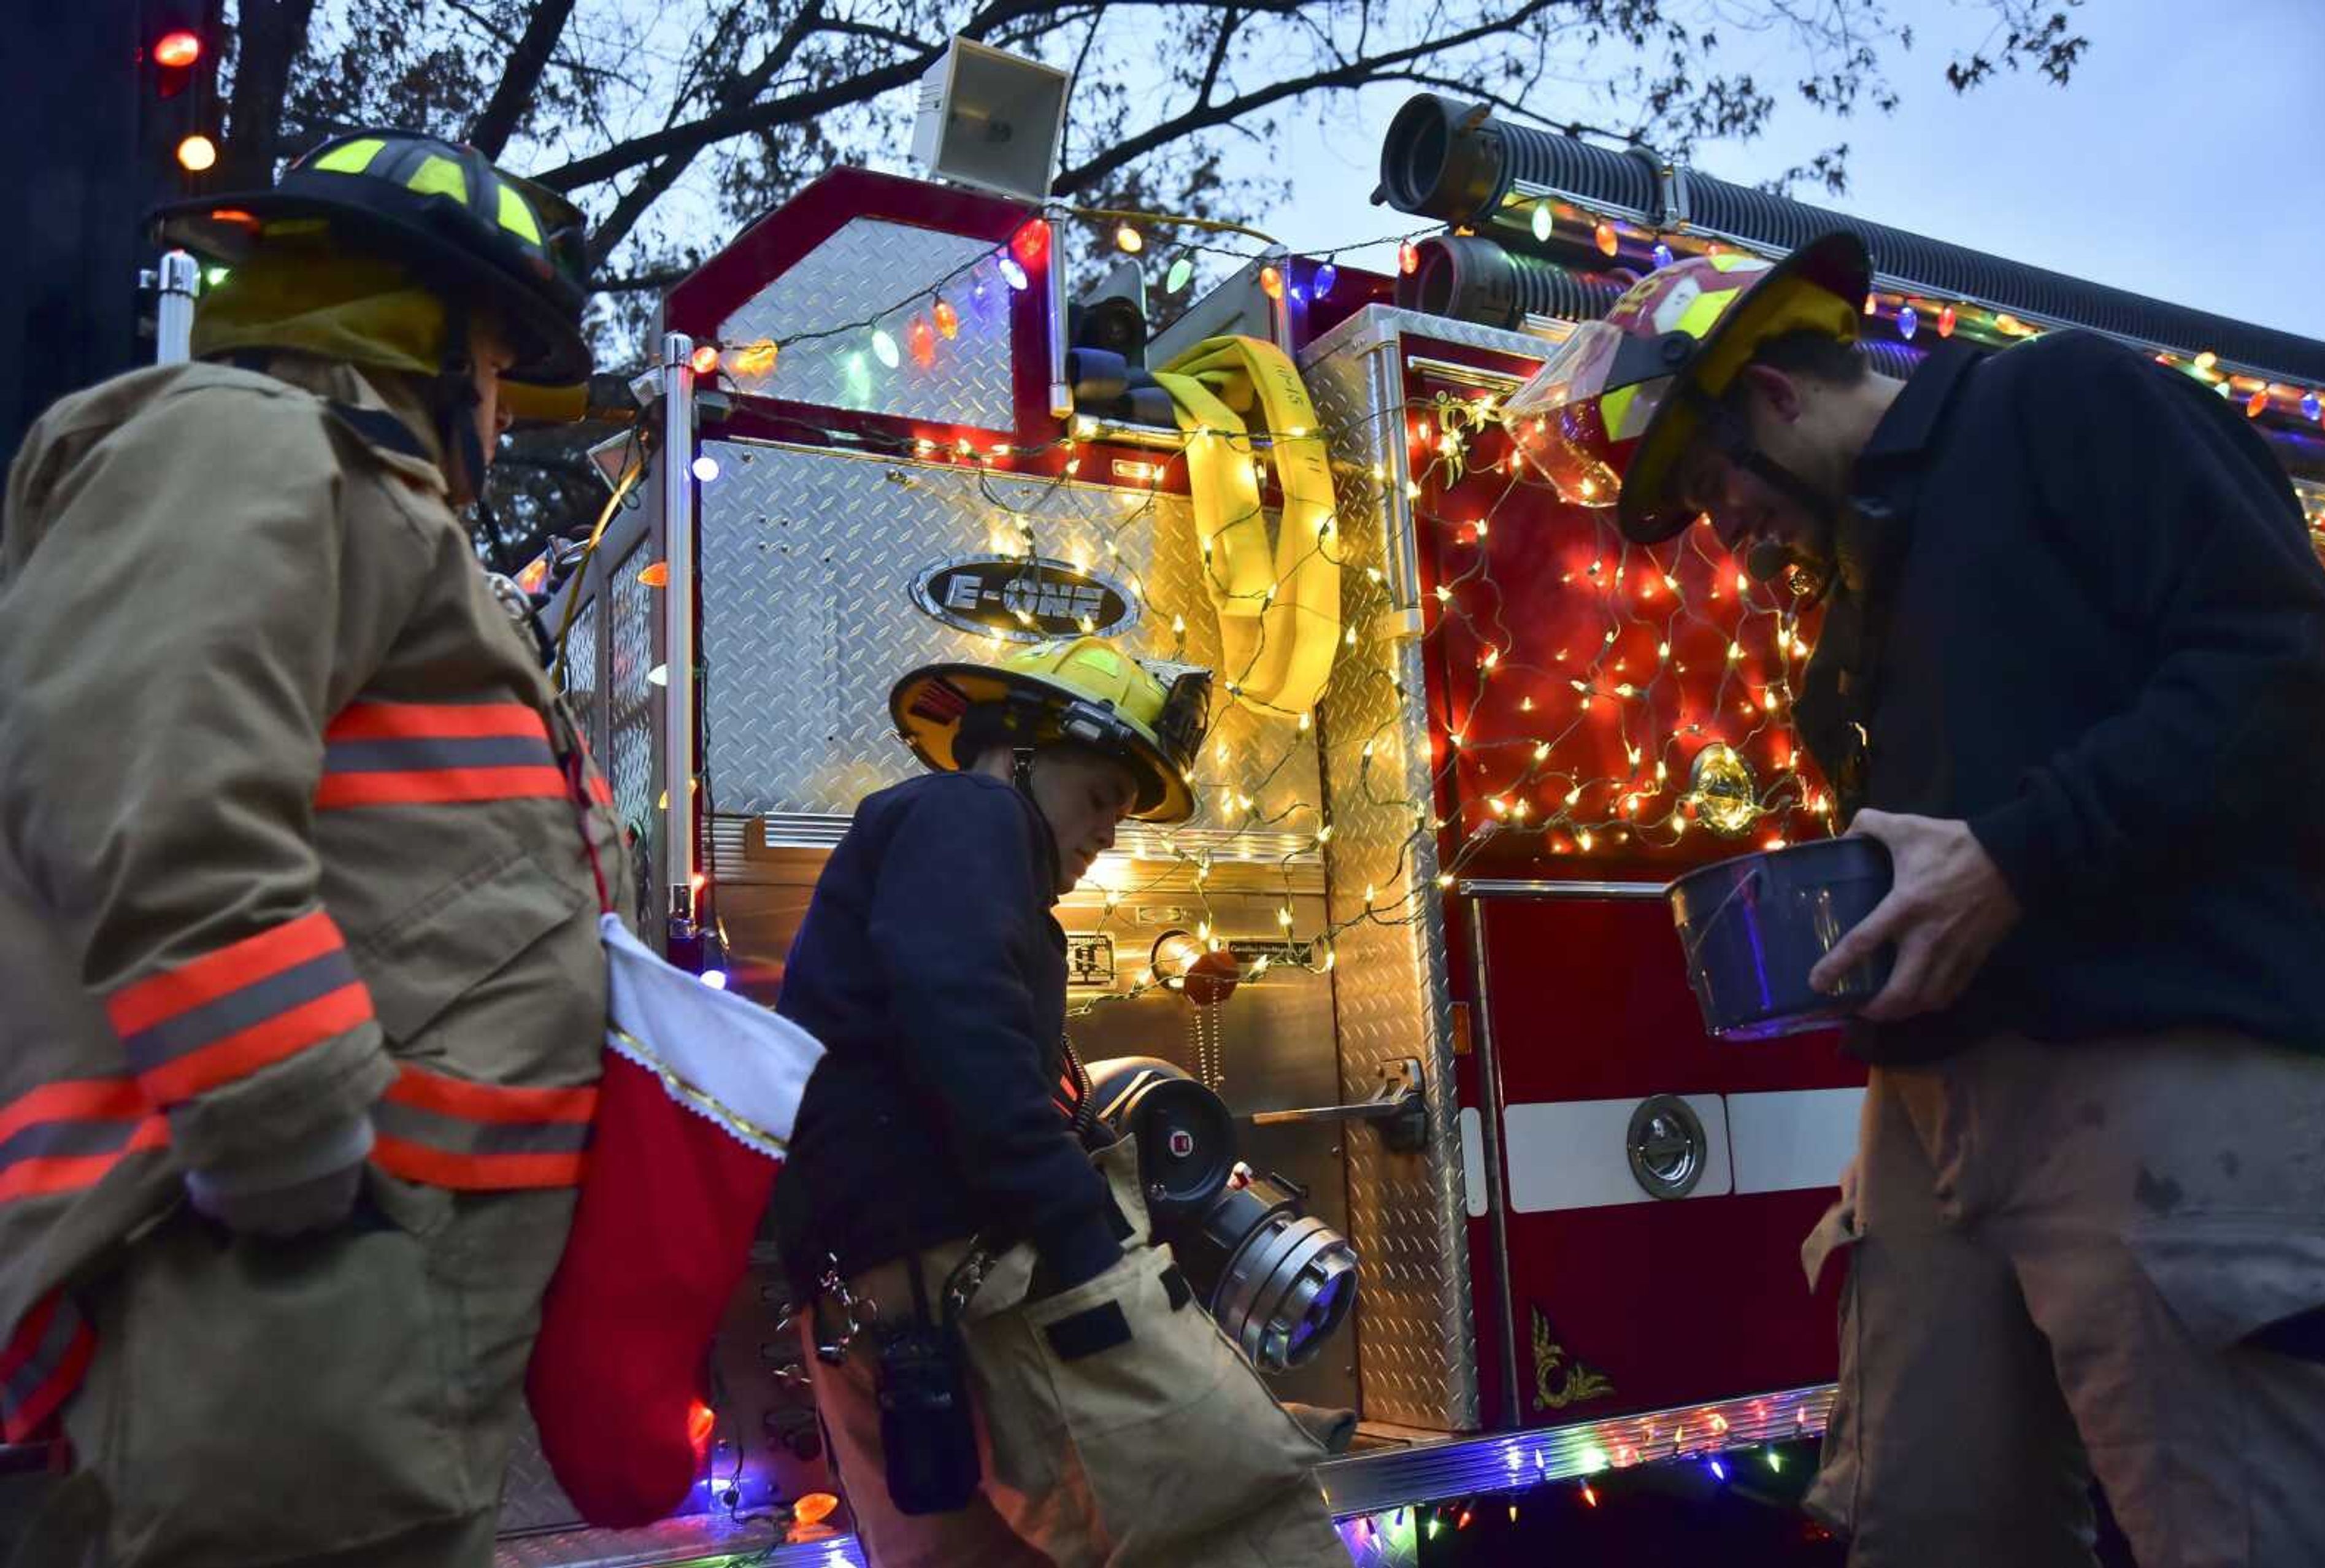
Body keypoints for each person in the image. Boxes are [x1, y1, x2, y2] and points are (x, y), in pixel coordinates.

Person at [1547, 232, 2325, 1566]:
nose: (1725, 535)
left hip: (2152, 1085)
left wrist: (2017, 859)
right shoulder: (1852, 619)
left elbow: (2285, 650)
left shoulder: (2062, 403)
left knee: (2248, 1525)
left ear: (1775, 394)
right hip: (1925, 1125)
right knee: (1921, 1525)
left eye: (1711, 486)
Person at [0, 129, 628, 1566]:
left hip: (340, 1327)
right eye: (488, 365)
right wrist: (298, 1152)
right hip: (254, 1296)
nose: (493, 414)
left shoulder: (351, 501)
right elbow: (154, 799)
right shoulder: (245, 445)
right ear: (424, 335)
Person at [771, 636, 1351, 1567]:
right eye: (1100, 800)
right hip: (972, 1277)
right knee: (1237, 1522)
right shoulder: (972, 811)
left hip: (868, 1307)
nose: (1109, 834)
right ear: (1024, 753)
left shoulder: (928, 843)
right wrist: (1086, 1236)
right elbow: (962, 1026)